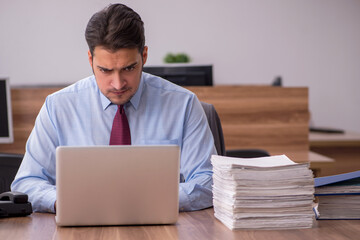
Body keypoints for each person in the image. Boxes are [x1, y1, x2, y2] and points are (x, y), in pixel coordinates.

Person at [11, 3, 216, 213]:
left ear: (144, 56)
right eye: (105, 70)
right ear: (90, 60)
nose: (118, 84)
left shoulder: (183, 105)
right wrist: (62, 201)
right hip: (82, 225)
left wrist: (148, 201)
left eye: (129, 68)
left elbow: (208, 181)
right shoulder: (58, 107)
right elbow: (27, 182)